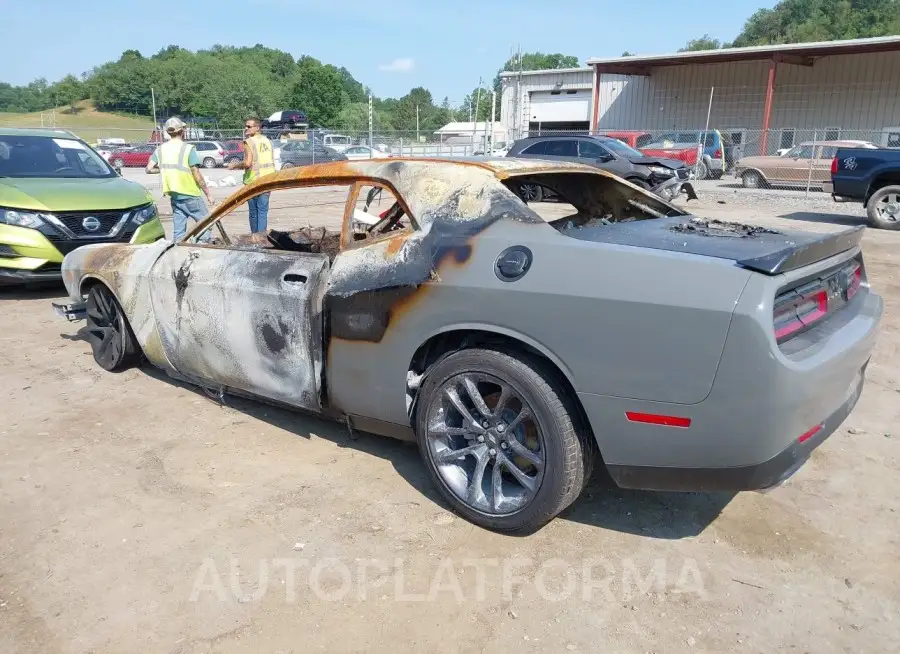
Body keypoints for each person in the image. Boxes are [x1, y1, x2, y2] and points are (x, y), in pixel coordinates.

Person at [146, 117, 215, 242]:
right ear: (182, 130)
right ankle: (200, 247)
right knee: (206, 224)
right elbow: (196, 174)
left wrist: (163, 169)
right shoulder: (188, 149)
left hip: (175, 196)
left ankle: (178, 251)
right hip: (190, 194)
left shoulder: (160, 149)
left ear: (168, 132)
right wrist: (208, 193)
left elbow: (149, 169)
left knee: (179, 231)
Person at [228, 117, 276, 233]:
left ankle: (255, 238)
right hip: (268, 180)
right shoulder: (267, 141)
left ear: (257, 128)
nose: (246, 128)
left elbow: (248, 163)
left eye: (249, 126)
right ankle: (262, 238)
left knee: (254, 213)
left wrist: (234, 165)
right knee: (263, 211)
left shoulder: (249, 142)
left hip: (254, 181)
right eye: (246, 126)